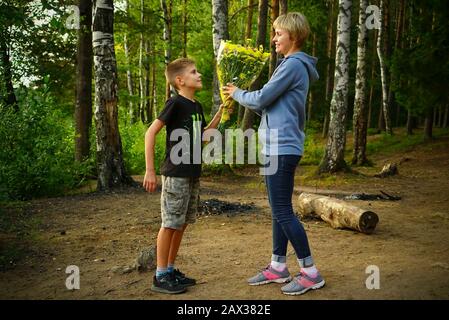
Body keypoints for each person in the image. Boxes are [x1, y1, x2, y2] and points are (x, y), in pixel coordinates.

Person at [222, 12, 325, 296]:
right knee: (279, 211)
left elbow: (262, 97)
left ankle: (310, 272)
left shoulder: (293, 64)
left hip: (282, 147)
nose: (274, 38)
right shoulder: (289, 65)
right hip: (275, 146)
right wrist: (244, 97)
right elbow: (266, 106)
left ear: (293, 35)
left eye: (279, 34)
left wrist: (238, 92)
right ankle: (278, 266)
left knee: (282, 211)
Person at [143, 58, 223, 294]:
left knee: (182, 223)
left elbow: (203, 137)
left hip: (192, 174)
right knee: (170, 224)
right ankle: (160, 276)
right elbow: (150, 133)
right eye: (194, 72)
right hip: (176, 173)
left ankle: (169, 269)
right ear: (180, 80)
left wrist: (219, 114)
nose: (199, 75)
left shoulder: (196, 107)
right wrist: (149, 170)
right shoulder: (175, 103)